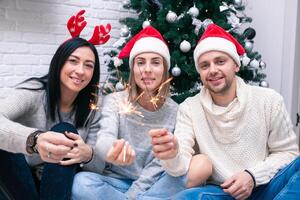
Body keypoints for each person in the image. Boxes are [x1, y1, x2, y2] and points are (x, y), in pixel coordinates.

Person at [149, 24, 300, 200]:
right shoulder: (189, 108)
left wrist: (252, 176)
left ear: (236, 65)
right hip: (222, 192)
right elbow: (181, 166)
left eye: (220, 61)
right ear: (200, 73)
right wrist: (172, 154)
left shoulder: (269, 100)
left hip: (267, 186)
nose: (213, 70)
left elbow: (288, 153)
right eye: (205, 65)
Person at [72, 26, 212, 200]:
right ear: (133, 69)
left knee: (196, 169)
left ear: (165, 70)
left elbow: (160, 165)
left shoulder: (176, 111)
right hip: (115, 182)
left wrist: (133, 195)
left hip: (155, 183)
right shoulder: (115, 101)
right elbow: (104, 139)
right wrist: (111, 150)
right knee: (80, 182)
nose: (147, 69)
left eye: (155, 62)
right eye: (140, 62)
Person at [0, 10, 111, 200]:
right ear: (59, 63)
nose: (80, 71)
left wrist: (89, 154)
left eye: (89, 65)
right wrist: (34, 140)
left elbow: (98, 167)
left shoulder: (95, 105)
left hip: (60, 182)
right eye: (73, 61)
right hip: (21, 179)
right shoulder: (34, 92)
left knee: (64, 131)